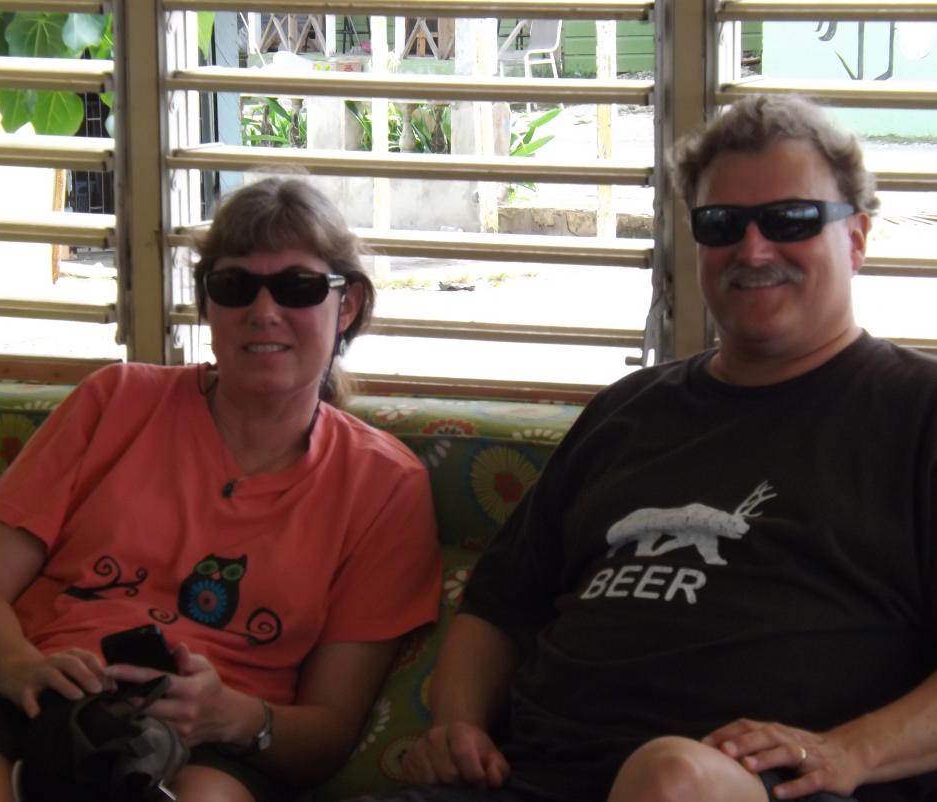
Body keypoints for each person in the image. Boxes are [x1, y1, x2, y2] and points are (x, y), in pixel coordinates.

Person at [388, 94, 937, 802]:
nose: (753, 250)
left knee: (670, 778)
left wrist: (847, 752)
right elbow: (499, 606)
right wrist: (458, 725)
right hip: (534, 778)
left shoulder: (918, 412)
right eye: (721, 224)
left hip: (774, 786)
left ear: (856, 238)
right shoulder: (627, 410)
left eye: (790, 220)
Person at [0, 176, 442, 802]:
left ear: (347, 305)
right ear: (206, 303)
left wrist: (234, 716)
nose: (263, 311)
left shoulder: (385, 484)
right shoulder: (116, 401)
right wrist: (23, 668)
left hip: (211, 746)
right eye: (234, 286)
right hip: (8, 699)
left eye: (297, 287)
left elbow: (328, 732)